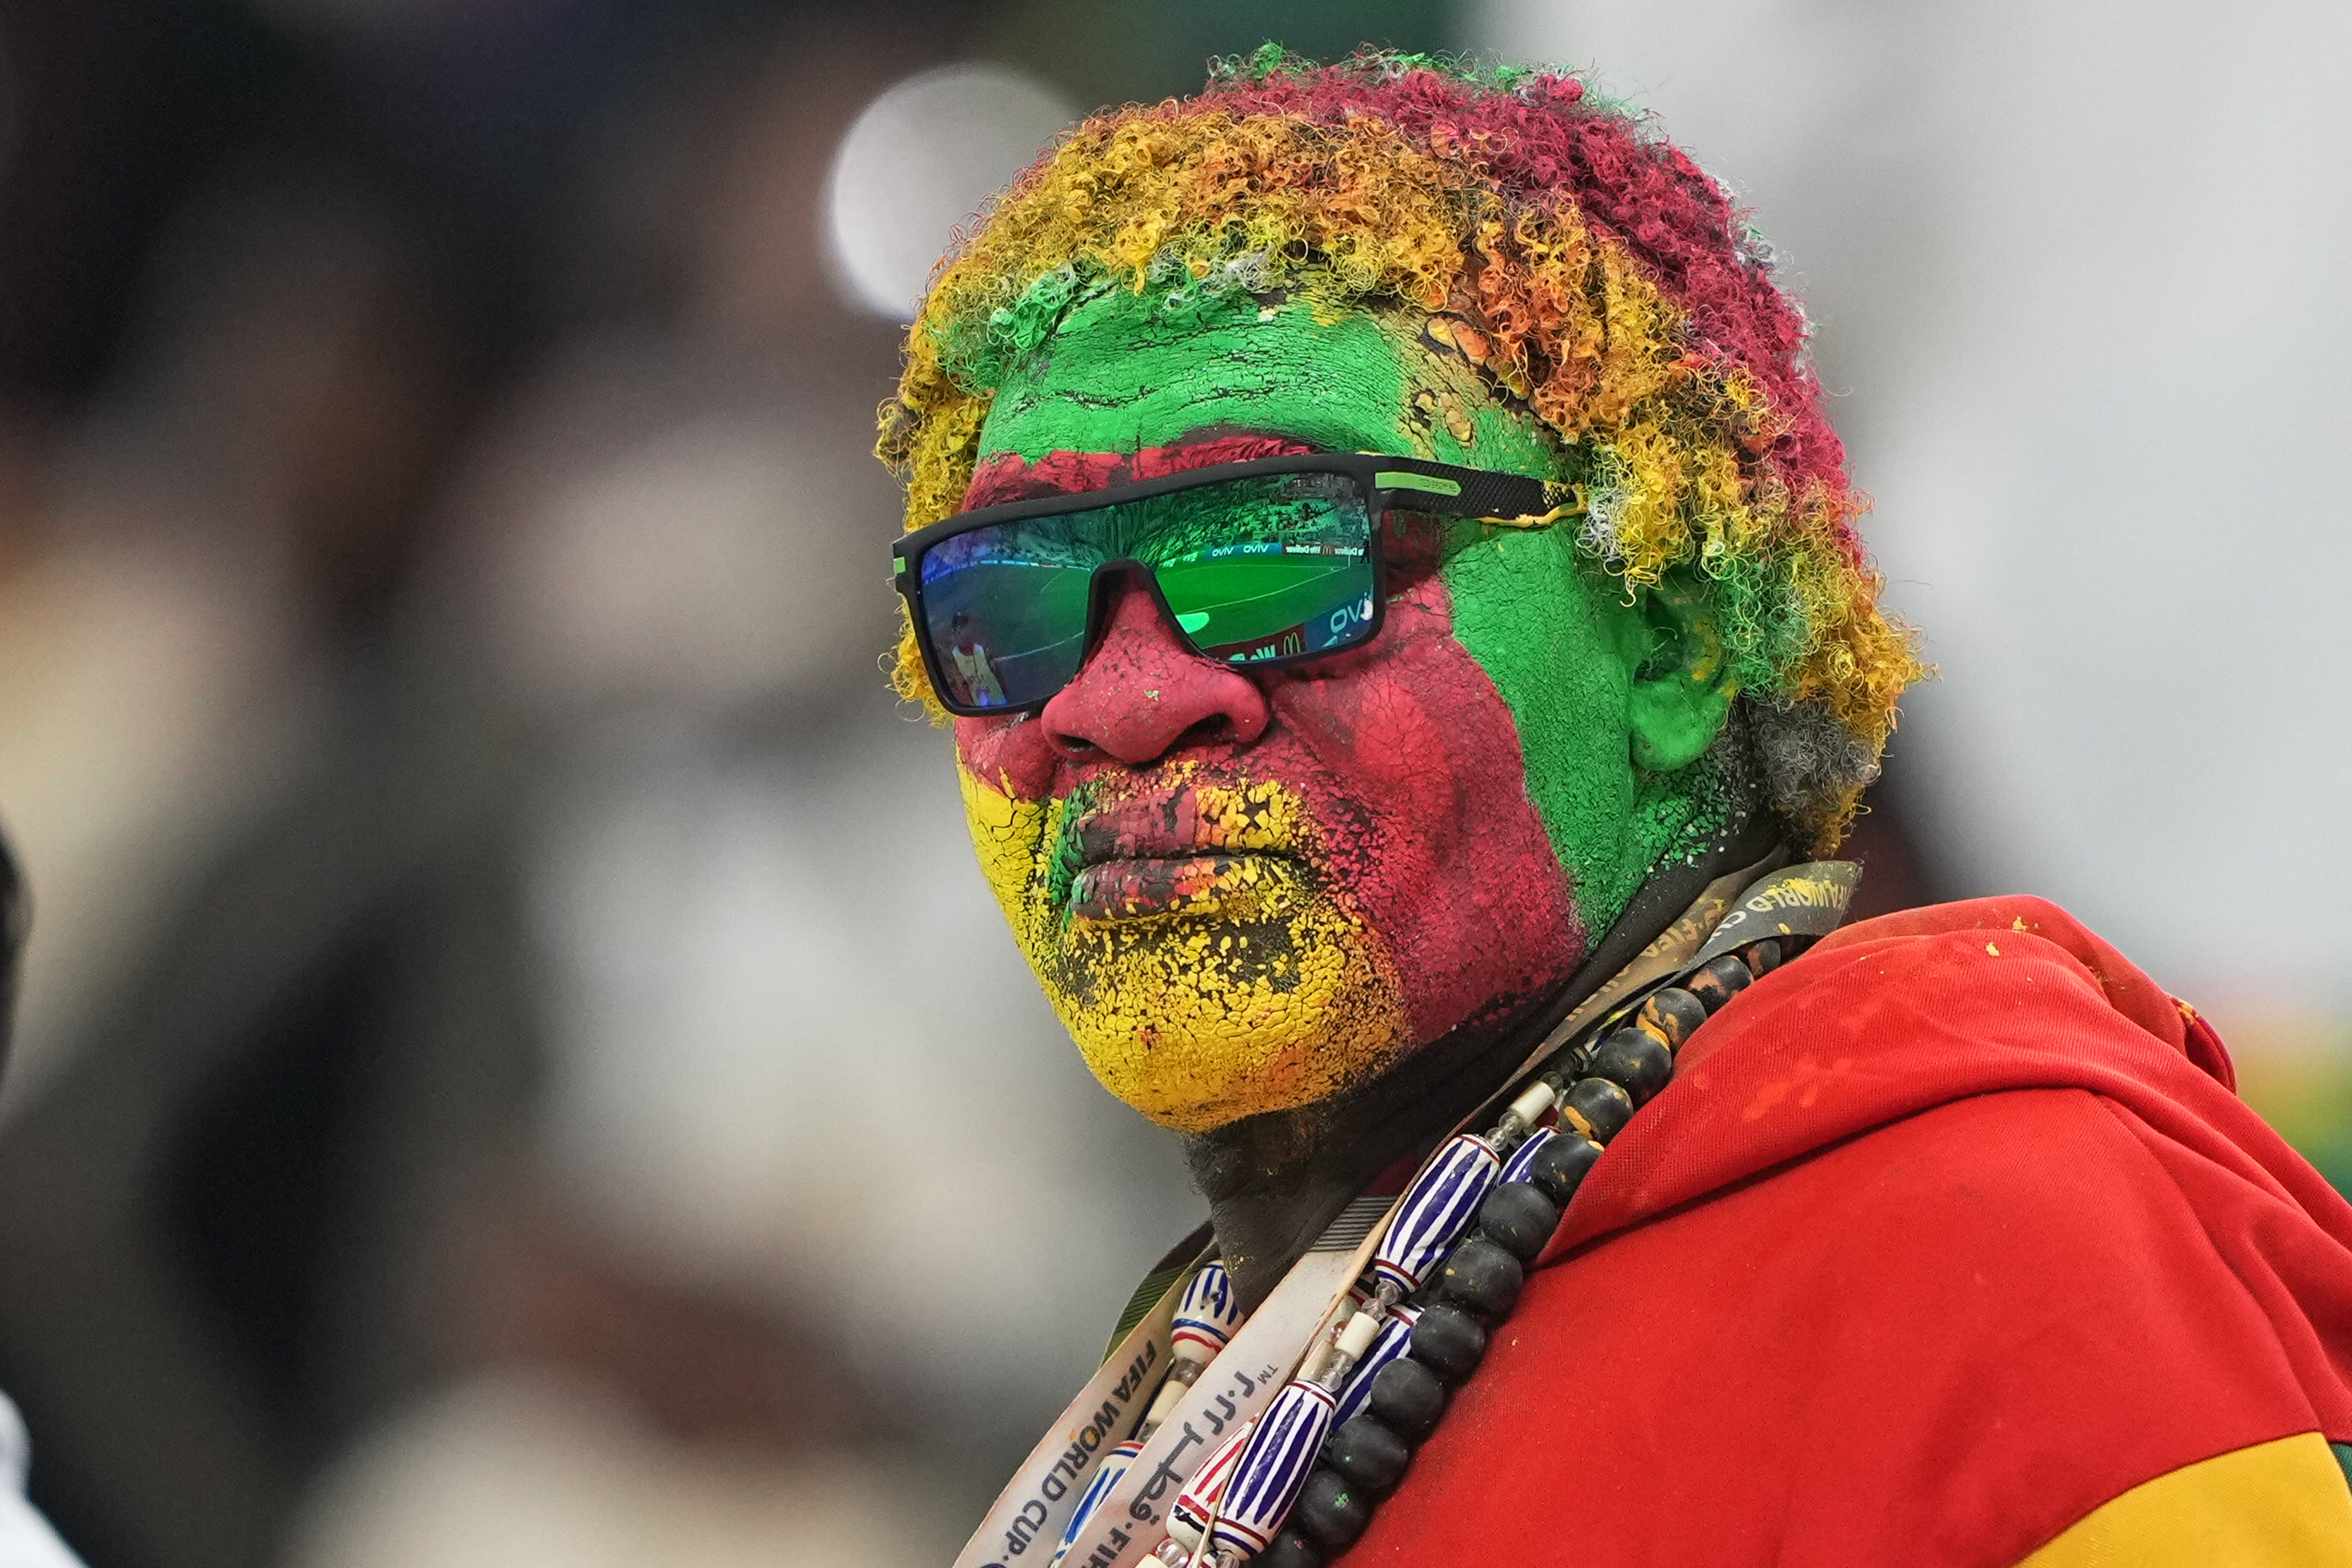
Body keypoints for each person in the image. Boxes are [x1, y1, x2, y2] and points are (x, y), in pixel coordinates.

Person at [879, 49, 2352, 1566]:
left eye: (1274, 558)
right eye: (1015, 602)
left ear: (1675, 637)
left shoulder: (2000, 1246)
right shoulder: (1220, 1369)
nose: (1116, 704)